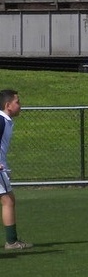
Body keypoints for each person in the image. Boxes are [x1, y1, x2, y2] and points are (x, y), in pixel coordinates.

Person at [0, 89, 33, 250]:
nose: (20, 105)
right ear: (8, 105)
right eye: (17, 102)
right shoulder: (1, 121)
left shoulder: (4, 121)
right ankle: (12, 242)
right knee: (8, 200)